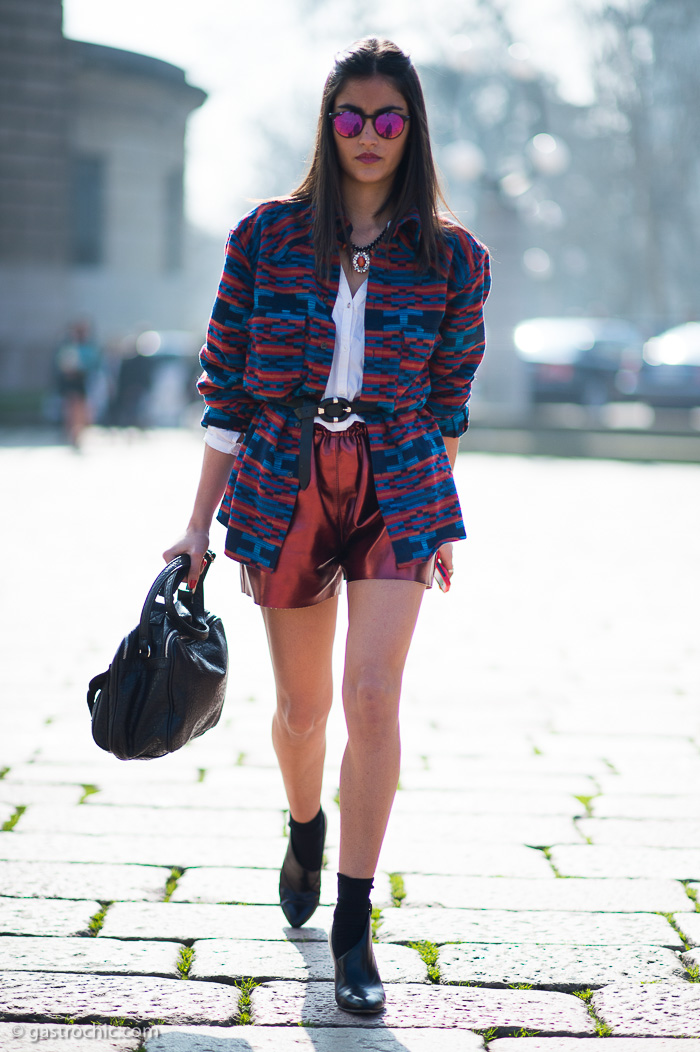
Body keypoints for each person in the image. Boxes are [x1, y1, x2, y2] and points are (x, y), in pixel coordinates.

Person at [164, 36, 490, 1014]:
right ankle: (304, 822)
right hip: (282, 480)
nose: (368, 136)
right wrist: (194, 526)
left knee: (375, 696)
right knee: (303, 711)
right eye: (350, 116)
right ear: (327, 121)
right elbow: (223, 389)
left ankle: (354, 925)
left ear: (412, 128)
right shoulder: (263, 237)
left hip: (396, 475)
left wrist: (434, 515)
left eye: (388, 119)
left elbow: (448, 401)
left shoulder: (453, 256)